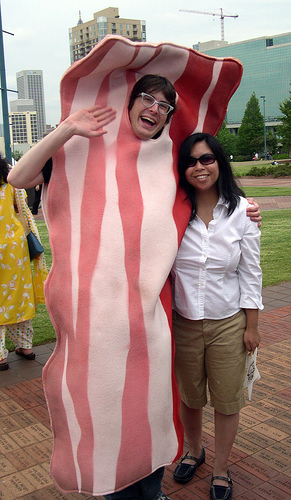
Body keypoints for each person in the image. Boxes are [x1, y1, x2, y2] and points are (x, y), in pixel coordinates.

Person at [8, 37, 261, 498]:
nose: (156, 109)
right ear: (131, 102)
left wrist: (246, 206)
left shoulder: (168, 162)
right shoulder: (83, 149)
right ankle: (112, 486)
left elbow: (205, 196)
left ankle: (151, 489)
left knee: (149, 410)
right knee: (102, 412)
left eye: (166, 105)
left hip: (150, 318)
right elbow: (18, 177)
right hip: (93, 319)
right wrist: (67, 128)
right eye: (148, 98)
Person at [171, 133, 263, 500]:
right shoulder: (174, 211)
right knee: (190, 397)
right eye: (191, 162)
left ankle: (221, 468)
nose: (199, 167)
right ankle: (194, 450)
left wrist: (252, 326)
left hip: (229, 322)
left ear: (219, 162)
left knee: (227, 401)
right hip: (184, 322)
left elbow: (251, 273)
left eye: (206, 159)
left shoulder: (242, 211)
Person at [0, 156, 46, 370]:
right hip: (14, 247)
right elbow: (23, 209)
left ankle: (1, 355)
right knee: (19, 294)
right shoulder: (8, 178)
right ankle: (25, 346)